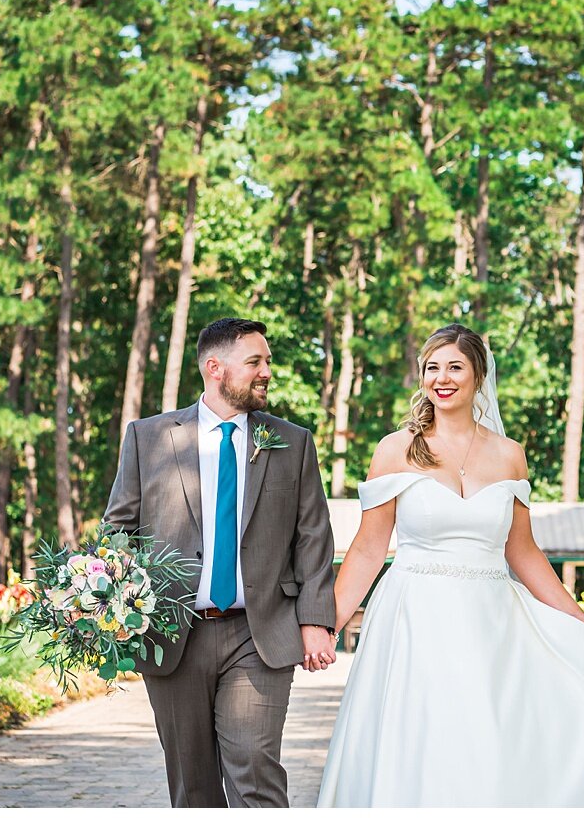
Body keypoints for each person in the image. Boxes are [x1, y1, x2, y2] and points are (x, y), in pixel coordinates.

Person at [317, 323, 584, 807]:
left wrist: (577, 616)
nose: (442, 378)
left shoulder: (509, 456)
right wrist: (327, 624)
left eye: (455, 367)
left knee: (493, 733)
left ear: (478, 375)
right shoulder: (395, 449)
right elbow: (366, 549)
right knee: (426, 738)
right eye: (431, 368)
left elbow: (523, 550)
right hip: (415, 619)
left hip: (493, 621)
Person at [104, 317, 338, 807]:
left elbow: (313, 537)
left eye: (267, 361)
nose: (266, 371)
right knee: (193, 788)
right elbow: (118, 531)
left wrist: (316, 620)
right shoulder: (148, 438)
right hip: (172, 632)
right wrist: (112, 602)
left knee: (255, 768)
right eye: (255, 361)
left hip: (260, 634)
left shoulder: (292, 443)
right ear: (215, 368)